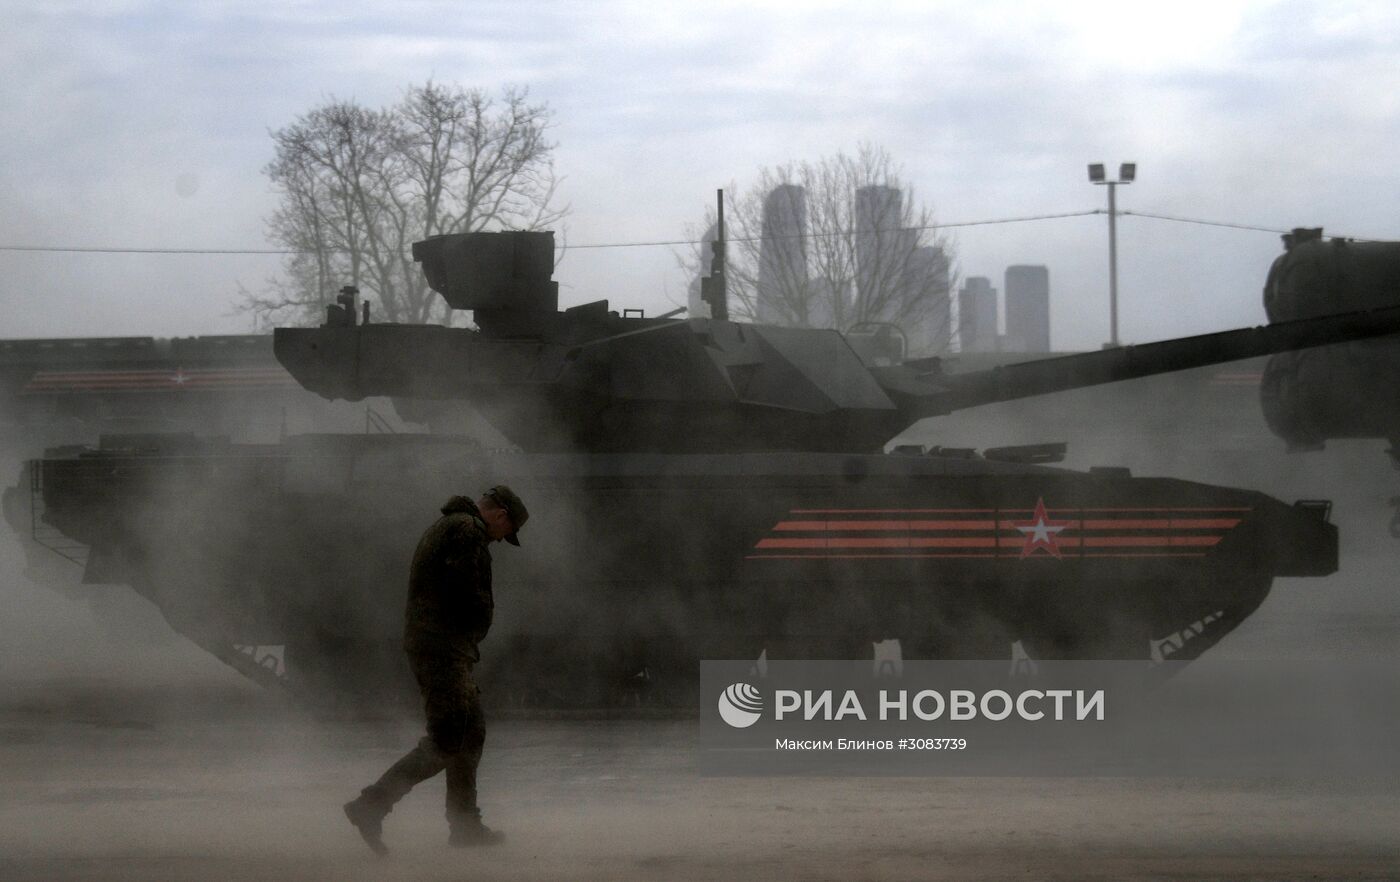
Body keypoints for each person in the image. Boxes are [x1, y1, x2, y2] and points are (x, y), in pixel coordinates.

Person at [343, 485, 529, 855]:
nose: (500, 540)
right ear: (500, 516)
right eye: (505, 534)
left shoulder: (453, 525)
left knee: (470, 733)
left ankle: (465, 826)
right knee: (447, 737)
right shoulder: (468, 531)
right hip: (442, 647)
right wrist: (479, 622)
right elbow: (466, 589)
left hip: (442, 645)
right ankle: (371, 805)